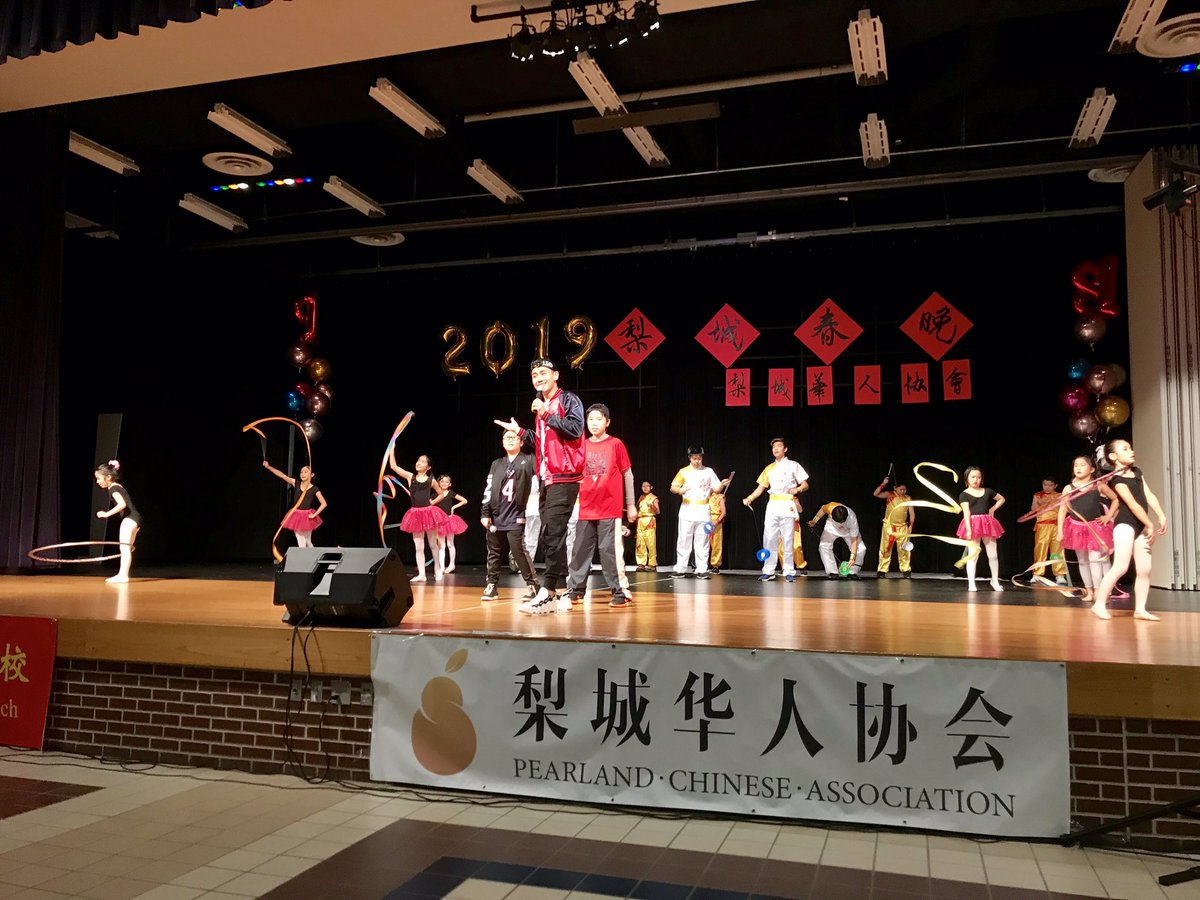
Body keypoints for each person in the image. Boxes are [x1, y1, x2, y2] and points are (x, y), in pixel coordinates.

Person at [495, 358, 585, 615]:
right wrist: (521, 432)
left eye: (543, 373)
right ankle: (563, 591)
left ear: (555, 375)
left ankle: (548, 592)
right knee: (550, 534)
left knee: (554, 534)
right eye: (534, 375)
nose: (538, 378)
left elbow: (575, 429)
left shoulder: (567, 400)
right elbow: (544, 441)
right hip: (547, 476)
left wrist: (546, 413)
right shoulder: (542, 409)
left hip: (564, 476)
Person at [564, 404, 637, 607]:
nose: (594, 423)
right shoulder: (582, 445)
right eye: (590, 420)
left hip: (609, 507)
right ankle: (577, 589)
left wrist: (631, 505)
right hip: (586, 507)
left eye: (598, 419)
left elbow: (627, 474)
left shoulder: (616, 444)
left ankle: (620, 591)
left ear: (607, 422)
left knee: (609, 550)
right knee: (580, 550)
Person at [1091, 440, 1168, 621]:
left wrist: (1161, 515)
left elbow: (1148, 494)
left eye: (1131, 448)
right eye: (1125, 449)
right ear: (1113, 456)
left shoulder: (1137, 472)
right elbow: (1132, 505)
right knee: (1121, 566)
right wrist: (1149, 524)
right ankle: (1098, 604)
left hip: (1141, 524)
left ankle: (1140, 609)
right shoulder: (1117, 481)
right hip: (1126, 524)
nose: (1131, 451)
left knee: (1144, 569)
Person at [479, 431, 540, 602]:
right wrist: (485, 512)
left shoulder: (529, 460)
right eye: (507, 437)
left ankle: (533, 585)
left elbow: (542, 450)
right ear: (502, 442)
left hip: (517, 513)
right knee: (494, 552)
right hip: (497, 514)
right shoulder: (497, 464)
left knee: (518, 551)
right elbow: (488, 489)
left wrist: (524, 433)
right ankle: (492, 585)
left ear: (521, 442)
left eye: (514, 437)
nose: (510, 440)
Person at [1056, 454, 1119, 607]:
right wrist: (1060, 531)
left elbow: (1115, 499)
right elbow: (1062, 510)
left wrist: (1108, 516)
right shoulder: (1068, 488)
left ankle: (1099, 591)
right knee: (1083, 561)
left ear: (1091, 469)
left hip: (1095, 527)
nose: (1078, 468)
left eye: (1082, 465)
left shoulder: (1098, 485)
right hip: (1076, 527)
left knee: (1095, 560)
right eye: (1075, 465)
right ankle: (1089, 590)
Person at [743, 438, 808, 583]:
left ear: (785, 449)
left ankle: (789, 570)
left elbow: (805, 484)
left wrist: (797, 489)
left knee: (788, 538)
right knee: (769, 538)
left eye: (779, 446)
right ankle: (768, 570)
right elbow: (761, 487)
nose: (776, 449)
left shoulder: (793, 466)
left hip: (787, 504)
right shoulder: (769, 468)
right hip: (773, 504)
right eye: (773, 447)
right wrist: (750, 498)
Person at [670, 447, 730, 578]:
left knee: (702, 539)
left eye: (699, 458)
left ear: (702, 458)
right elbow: (673, 487)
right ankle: (680, 567)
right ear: (690, 458)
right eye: (694, 458)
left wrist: (722, 484)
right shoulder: (684, 471)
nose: (697, 461)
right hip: (687, 508)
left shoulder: (708, 471)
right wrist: (679, 490)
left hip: (703, 509)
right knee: (684, 539)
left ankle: (702, 568)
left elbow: (716, 487)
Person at [389, 452, 449, 583]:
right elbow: (393, 466)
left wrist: (431, 503)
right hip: (415, 514)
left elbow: (441, 494)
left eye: (423, 461)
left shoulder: (431, 480)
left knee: (433, 543)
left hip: (428, 513)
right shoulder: (411, 477)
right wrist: (391, 450)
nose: (419, 462)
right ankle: (422, 574)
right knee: (418, 546)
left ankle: (437, 570)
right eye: (418, 460)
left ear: (428, 467)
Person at [957, 465, 1006, 592]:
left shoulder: (988, 491)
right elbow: (966, 513)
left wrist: (992, 509)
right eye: (973, 477)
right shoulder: (964, 494)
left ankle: (994, 581)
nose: (976, 480)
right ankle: (971, 583)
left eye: (978, 477)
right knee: (973, 556)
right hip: (973, 524)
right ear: (967, 479)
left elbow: (1001, 499)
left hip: (987, 524)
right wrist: (968, 529)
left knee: (993, 554)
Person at [262, 460, 328, 549]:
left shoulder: (314, 489)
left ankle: (310, 558)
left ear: (312, 475)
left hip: (307, 516)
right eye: (301, 472)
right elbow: (282, 475)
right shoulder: (296, 483)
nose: (302, 474)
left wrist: (314, 515)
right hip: (296, 515)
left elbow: (324, 503)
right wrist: (269, 467)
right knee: (300, 539)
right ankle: (304, 558)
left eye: (305, 472)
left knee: (307, 541)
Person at [94, 460, 141, 584]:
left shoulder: (113, 488)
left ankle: (123, 575)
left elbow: (122, 504)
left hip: (129, 518)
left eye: (99, 478)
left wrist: (106, 514)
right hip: (136, 519)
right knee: (126, 548)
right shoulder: (118, 486)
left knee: (124, 548)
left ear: (108, 477)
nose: (97, 482)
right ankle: (123, 574)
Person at [809, 502, 867, 579]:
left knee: (861, 548)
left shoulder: (852, 518)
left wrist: (852, 558)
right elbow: (822, 510)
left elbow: (854, 540)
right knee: (823, 546)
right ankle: (832, 572)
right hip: (832, 528)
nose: (840, 523)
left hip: (848, 531)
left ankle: (852, 572)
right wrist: (814, 521)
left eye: (841, 522)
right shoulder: (830, 506)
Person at [874, 478, 915, 578]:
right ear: (895, 488)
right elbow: (876, 494)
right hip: (889, 527)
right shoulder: (890, 495)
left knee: (904, 549)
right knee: (885, 549)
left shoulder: (907, 498)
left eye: (904, 489)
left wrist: (910, 526)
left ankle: (906, 570)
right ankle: (882, 570)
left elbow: (912, 513)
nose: (902, 491)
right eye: (900, 489)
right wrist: (883, 483)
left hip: (902, 527)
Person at [1030, 478, 1067, 585]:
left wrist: (1052, 503)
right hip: (1043, 525)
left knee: (1057, 550)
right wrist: (1040, 503)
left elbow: (1064, 510)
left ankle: (1059, 574)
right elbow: (1033, 510)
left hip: (1056, 525)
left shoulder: (1060, 495)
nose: (1047, 487)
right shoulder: (1038, 495)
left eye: (1050, 485)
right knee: (1040, 549)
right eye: (1045, 484)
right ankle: (1037, 573)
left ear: (1055, 486)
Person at [434, 474, 469, 573]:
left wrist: (453, 507)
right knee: (441, 545)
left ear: (449, 484)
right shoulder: (435, 495)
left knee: (450, 543)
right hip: (440, 522)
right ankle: (441, 567)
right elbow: (430, 505)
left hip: (449, 521)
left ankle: (451, 564)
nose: (444, 483)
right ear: (438, 483)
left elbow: (464, 500)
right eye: (442, 481)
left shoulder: (451, 493)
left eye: (446, 482)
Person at [634, 480, 659, 571]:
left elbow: (658, 511)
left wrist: (652, 506)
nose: (645, 488)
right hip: (640, 520)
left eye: (647, 486)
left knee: (651, 543)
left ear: (651, 487)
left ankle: (652, 564)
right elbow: (637, 510)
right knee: (640, 543)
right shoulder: (641, 498)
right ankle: (641, 563)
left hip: (649, 520)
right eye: (643, 486)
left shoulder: (653, 498)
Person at [706, 479, 728, 574]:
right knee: (704, 543)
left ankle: (715, 565)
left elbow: (723, 512)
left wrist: (717, 521)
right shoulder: (706, 497)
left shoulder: (720, 497)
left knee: (716, 544)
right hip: (706, 521)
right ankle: (702, 564)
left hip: (716, 521)